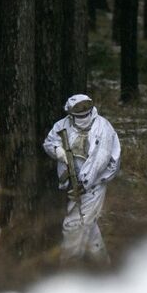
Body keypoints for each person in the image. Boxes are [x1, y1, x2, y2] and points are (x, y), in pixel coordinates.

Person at [43, 94, 121, 266]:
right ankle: (103, 267)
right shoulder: (62, 125)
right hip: (72, 183)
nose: (83, 118)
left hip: (93, 187)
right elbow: (49, 142)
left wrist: (86, 184)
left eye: (85, 114)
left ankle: (68, 270)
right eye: (78, 116)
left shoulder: (103, 129)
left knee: (73, 225)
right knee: (89, 226)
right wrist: (58, 151)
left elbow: (105, 163)